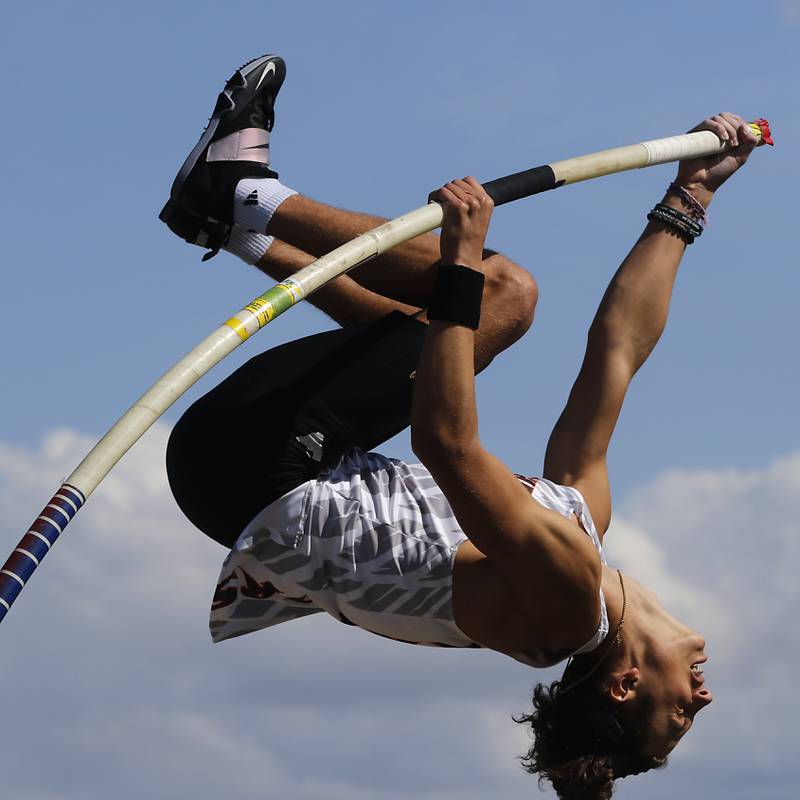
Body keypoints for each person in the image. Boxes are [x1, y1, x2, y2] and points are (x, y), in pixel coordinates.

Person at [161, 55, 764, 799]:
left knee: (501, 295)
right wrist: (689, 199)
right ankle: (231, 226)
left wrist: (461, 259)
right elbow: (616, 357)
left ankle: (239, 189)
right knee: (430, 336)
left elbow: (443, 442)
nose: (702, 698)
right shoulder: (580, 541)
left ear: (623, 685)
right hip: (253, 477)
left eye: (680, 716)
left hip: (256, 462)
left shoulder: (565, 595)